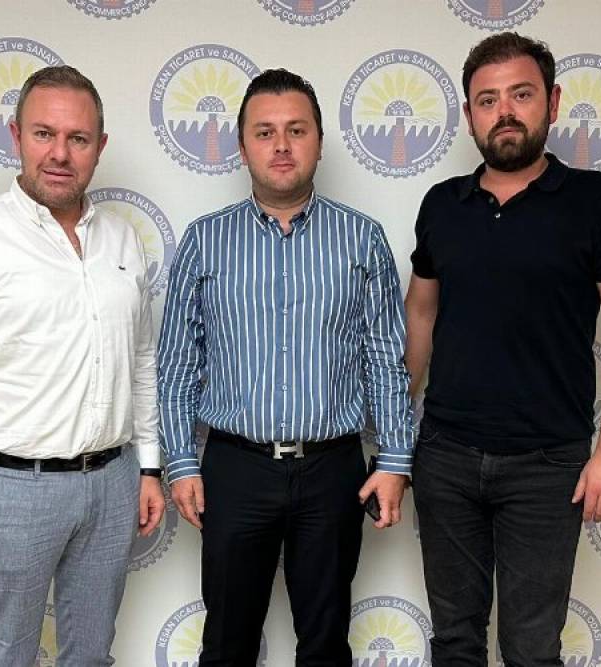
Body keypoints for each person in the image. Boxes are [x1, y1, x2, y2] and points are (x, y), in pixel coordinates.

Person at [405, 33, 601, 666]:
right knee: (454, 642)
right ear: (470, 116)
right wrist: (394, 429)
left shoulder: (599, 202)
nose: (505, 111)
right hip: (446, 456)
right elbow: (421, 313)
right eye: (487, 100)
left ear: (553, 101)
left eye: (521, 94)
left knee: (531, 650)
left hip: (548, 466)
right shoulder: (442, 206)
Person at [158, 68, 414, 666]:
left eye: (296, 130)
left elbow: (385, 358)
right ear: (241, 145)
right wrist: (180, 462)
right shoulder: (204, 241)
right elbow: (177, 365)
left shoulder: (362, 239)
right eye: (265, 131)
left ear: (319, 141)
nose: (281, 145)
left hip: (332, 470)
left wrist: (396, 459)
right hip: (234, 469)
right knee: (227, 645)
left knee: (324, 646)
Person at [0, 65, 165, 666]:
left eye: (78, 138)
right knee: (5, 655)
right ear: (16, 136)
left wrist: (149, 466)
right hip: (11, 489)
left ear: (99, 147)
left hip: (112, 481)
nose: (59, 153)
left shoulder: (122, 240)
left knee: (91, 654)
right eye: (44, 134)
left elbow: (139, 361)